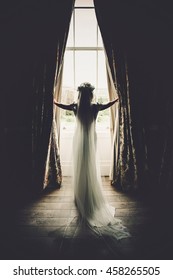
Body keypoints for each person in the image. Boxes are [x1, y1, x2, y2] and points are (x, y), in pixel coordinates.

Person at [54, 82, 130, 240]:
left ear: (80, 95)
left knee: (81, 166)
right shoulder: (94, 107)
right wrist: (115, 101)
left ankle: (80, 193)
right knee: (89, 165)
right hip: (90, 139)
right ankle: (88, 193)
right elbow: (107, 105)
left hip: (79, 140)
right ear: (90, 95)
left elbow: (63, 106)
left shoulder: (76, 107)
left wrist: (55, 102)